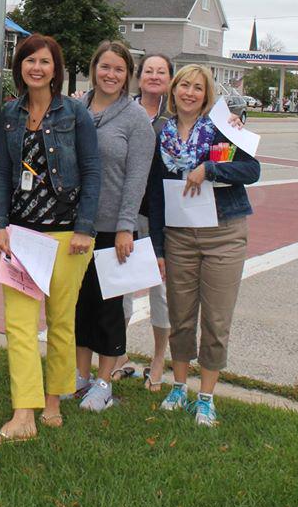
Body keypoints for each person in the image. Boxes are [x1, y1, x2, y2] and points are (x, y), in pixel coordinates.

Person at [0, 34, 101, 444]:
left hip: (68, 237)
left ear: (56, 69)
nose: (36, 67)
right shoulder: (10, 114)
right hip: (22, 237)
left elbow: (92, 170)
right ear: (20, 68)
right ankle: (23, 414)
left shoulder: (76, 114)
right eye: (29, 60)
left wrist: (86, 226)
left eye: (45, 62)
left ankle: (53, 403)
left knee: (61, 322)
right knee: (19, 326)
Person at [148, 64, 260, 427]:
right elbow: (155, 195)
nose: (190, 93)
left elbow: (251, 170)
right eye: (184, 85)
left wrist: (210, 169)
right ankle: (179, 386)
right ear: (174, 90)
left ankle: (206, 397)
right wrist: (160, 249)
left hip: (223, 233)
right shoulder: (161, 133)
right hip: (179, 235)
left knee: (215, 319)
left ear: (206, 94)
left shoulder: (223, 130)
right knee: (180, 316)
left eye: (198, 87)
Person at [75, 40, 155, 411]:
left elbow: (137, 179)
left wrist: (126, 227)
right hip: (76, 226)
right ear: (94, 69)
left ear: (128, 76)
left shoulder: (135, 119)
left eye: (119, 69)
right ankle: (79, 376)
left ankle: (104, 382)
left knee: (108, 309)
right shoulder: (76, 109)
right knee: (77, 304)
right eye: (105, 67)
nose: (111, 74)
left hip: (113, 228)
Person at [114, 53, 174, 391]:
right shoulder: (125, 110)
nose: (153, 76)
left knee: (162, 291)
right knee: (121, 288)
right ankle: (118, 356)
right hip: (128, 212)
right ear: (138, 77)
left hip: (165, 216)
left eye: (160, 71)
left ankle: (158, 359)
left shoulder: (179, 115)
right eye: (148, 70)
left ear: (169, 78)